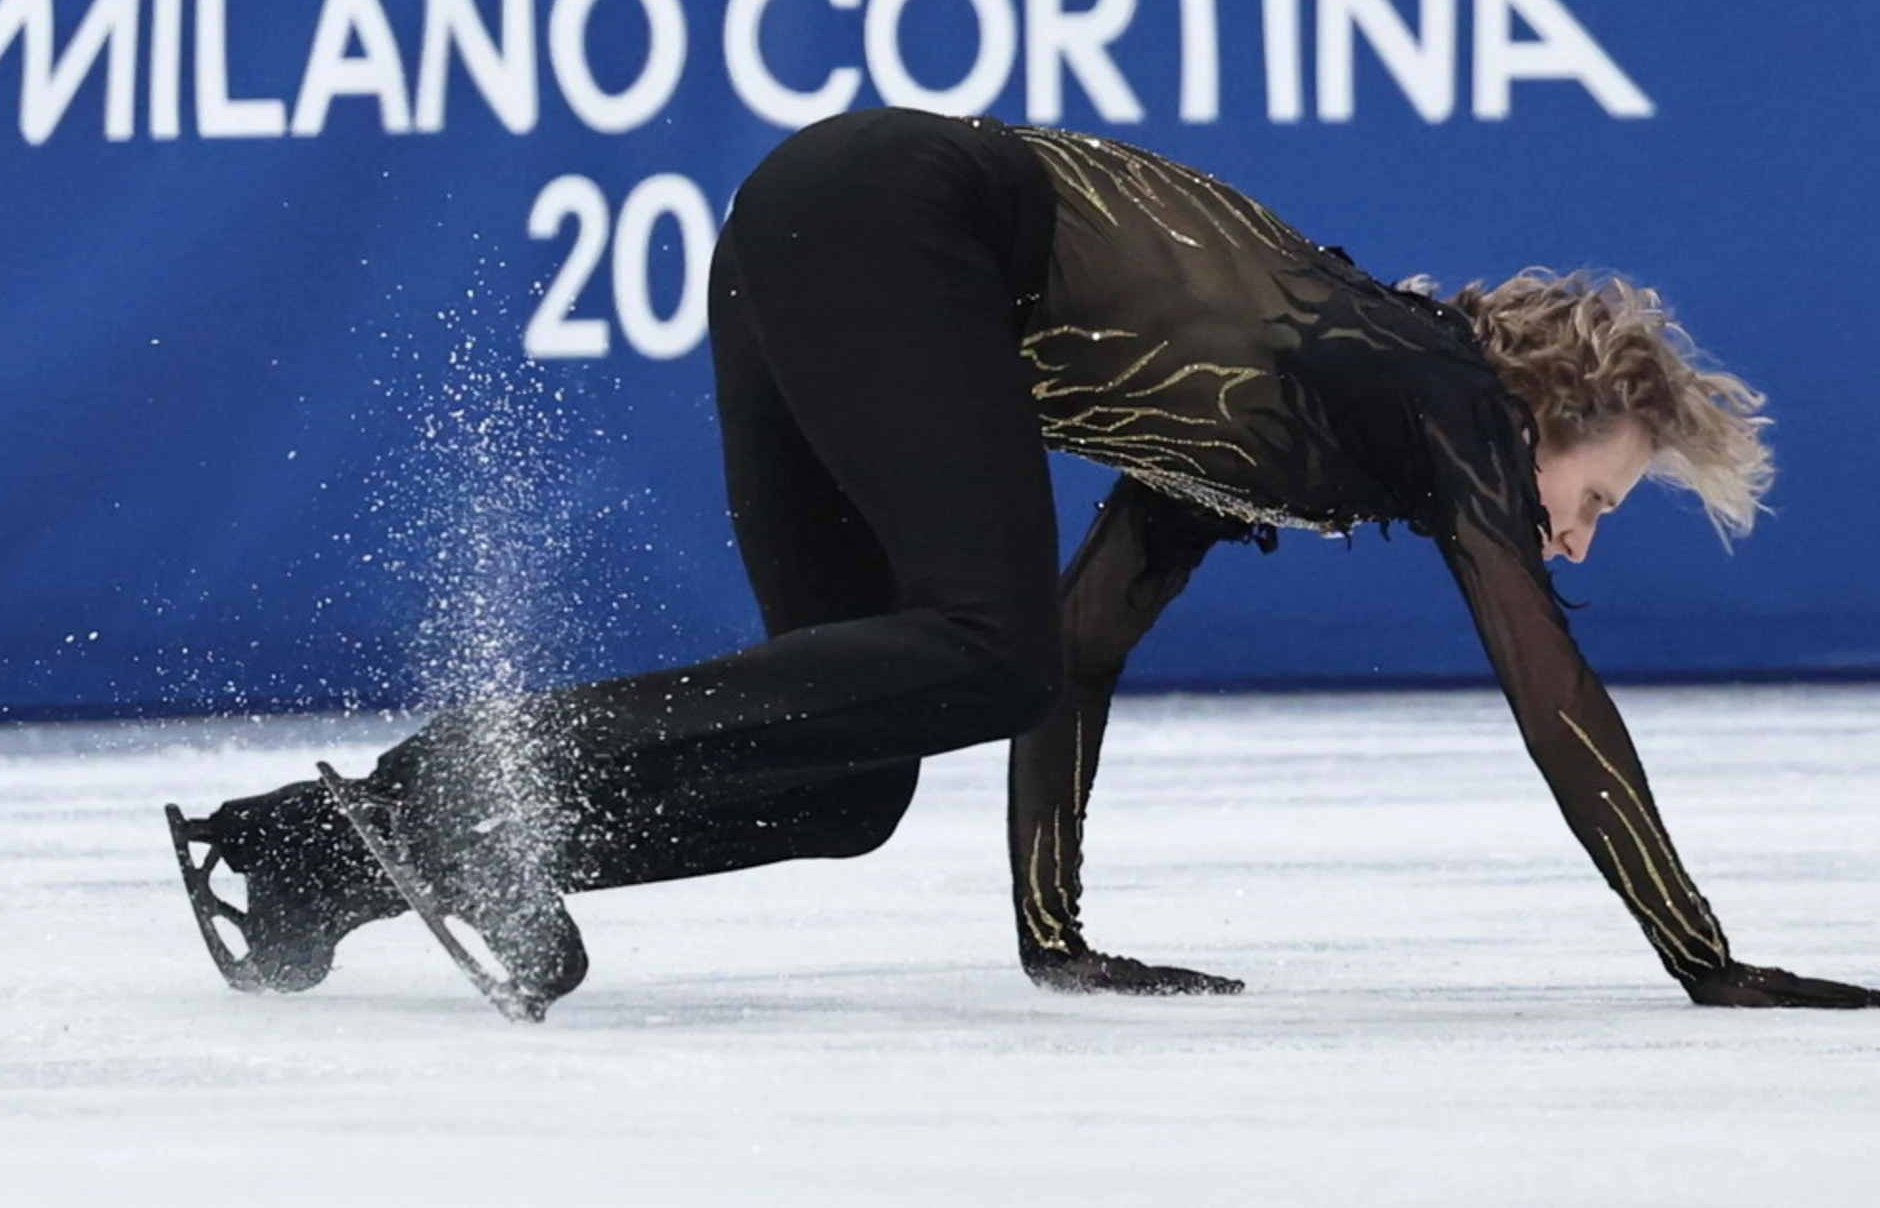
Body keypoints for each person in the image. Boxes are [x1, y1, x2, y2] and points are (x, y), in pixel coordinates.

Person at [167, 108, 1878, 1018]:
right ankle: (468, 773)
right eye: (1600, 491)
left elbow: (1081, 645)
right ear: (1547, 406)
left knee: (856, 784)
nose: (1575, 533)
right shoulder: (1421, 385)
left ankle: (323, 862)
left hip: (816, 234)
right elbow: (1549, 679)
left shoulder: (1299, 437)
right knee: (970, 653)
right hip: (892, 214)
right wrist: (1703, 956)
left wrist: (1054, 934)